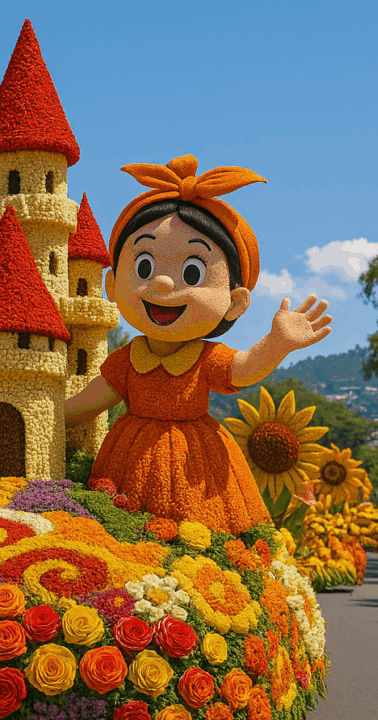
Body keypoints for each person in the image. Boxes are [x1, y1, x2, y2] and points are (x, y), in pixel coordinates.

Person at [66, 155, 332, 533]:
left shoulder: (204, 358)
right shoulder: (129, 359)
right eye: (144, 267)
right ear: (111, 285)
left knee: (202, 528)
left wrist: (277, 344)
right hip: (128, 456)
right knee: (119, 526)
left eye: (192, 272)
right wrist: (47, 414)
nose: (162, 284)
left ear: (235, 301)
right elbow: (90, 401)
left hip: (196, 462)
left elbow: (241, 370)